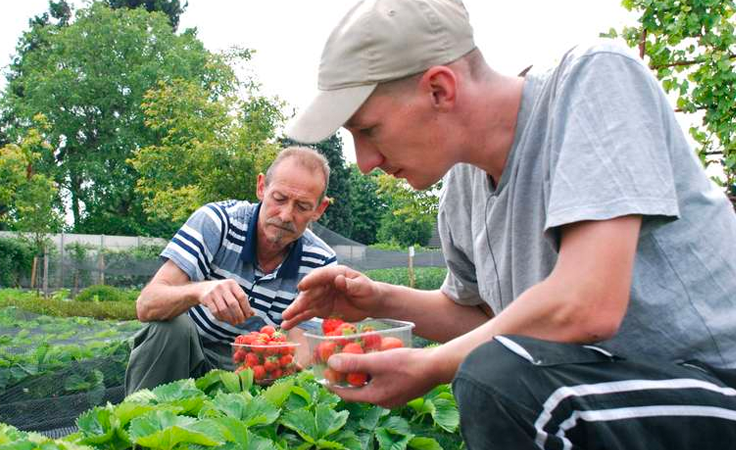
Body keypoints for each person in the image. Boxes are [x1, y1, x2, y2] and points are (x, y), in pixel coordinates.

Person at [280, 0, 736, 448]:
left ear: (439, 89)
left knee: (495, 376)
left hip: (715, 384)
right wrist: (379, 299)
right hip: (608, 396)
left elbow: (587, 302)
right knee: (498, 365)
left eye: (369, 130)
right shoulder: (461, 189)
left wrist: (433, 364)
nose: (363, 162)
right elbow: (485, 321)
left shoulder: (594, 78)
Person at [125, 146, 337, 394]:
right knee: (169, 328)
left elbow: (300, 342)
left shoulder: (320, 262)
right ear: (261, 188)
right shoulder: (217, 222)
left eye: (302, 206)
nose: (286, 215)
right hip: (190, 350)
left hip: (250, 370)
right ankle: (139, 424)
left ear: (319, 210)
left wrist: (284, 365)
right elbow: (147, 304)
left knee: (302, 372)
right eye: (279, 198)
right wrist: (200, 291)